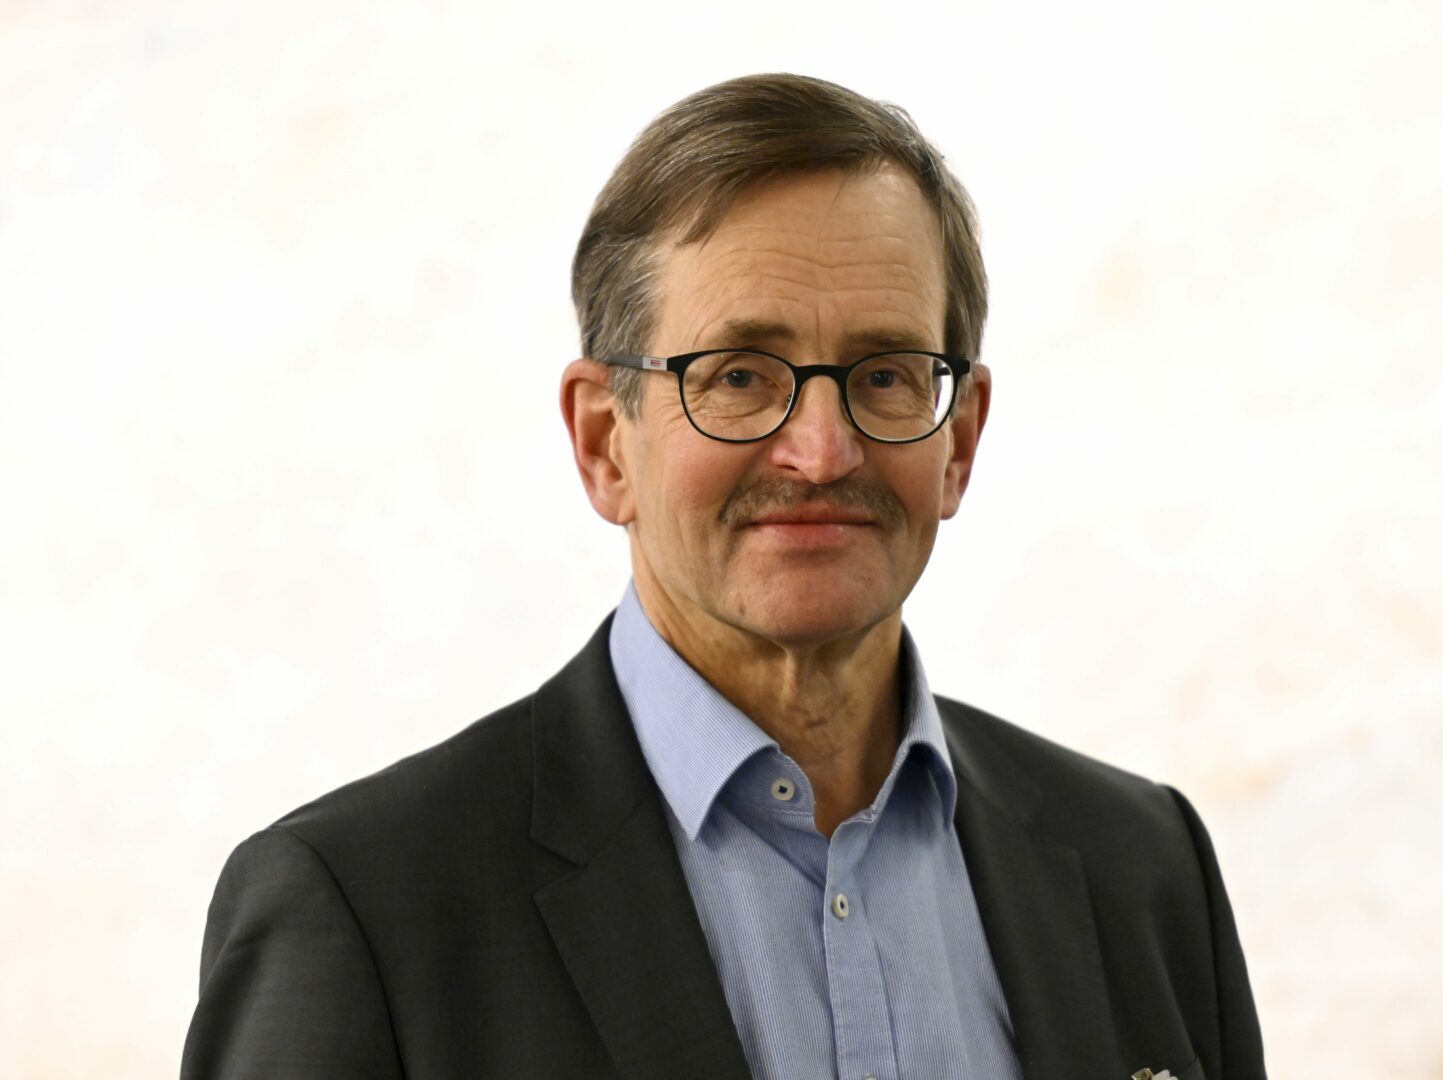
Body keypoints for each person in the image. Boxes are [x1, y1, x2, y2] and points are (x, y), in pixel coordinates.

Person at [181, 74, 1266, 1080]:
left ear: (960, 440)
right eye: (740, 376)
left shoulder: (1143, 868)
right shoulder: (364, 911)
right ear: (605, 442)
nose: (822, 451)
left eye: (885, 375)